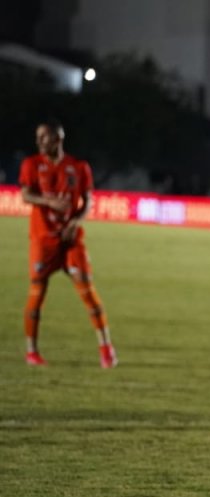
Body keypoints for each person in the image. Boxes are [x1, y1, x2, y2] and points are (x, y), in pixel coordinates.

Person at [18, 119, 117, 368]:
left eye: (45, 137)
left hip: (71, 240)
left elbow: (88, 201)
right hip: (43, 240)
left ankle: (106, 348)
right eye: (38, 137)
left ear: (58, 139)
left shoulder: (79, 167)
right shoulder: (31, 164)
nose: (40, 142)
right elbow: (25, 194)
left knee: (88, 292)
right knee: (37, 293)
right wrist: (48, 202)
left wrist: (75, 222)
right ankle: (31, 351)